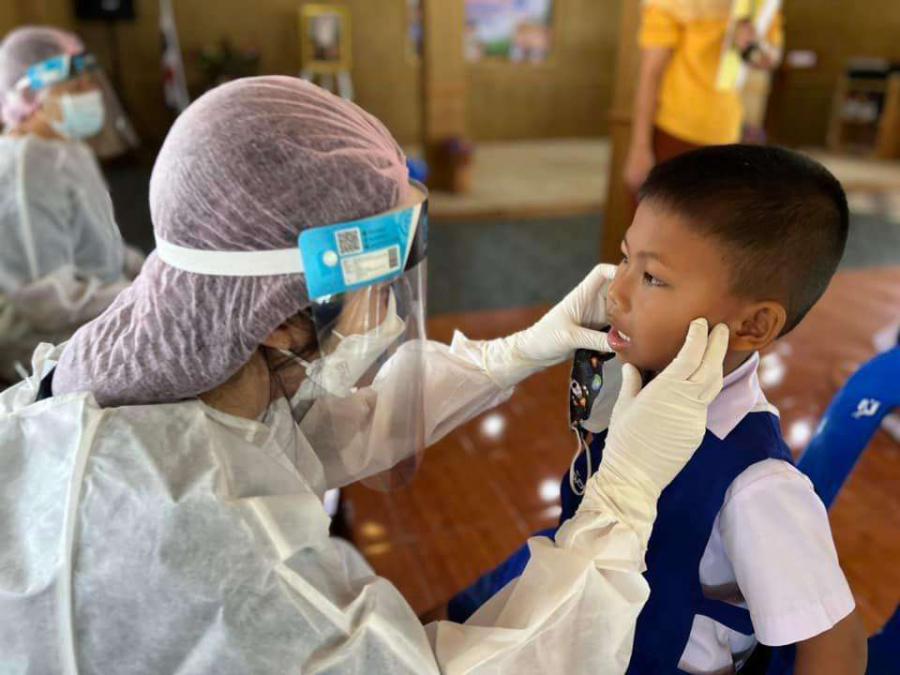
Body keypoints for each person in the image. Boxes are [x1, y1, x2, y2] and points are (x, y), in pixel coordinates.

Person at [0, 75, 730, 674]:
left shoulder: (153, 374)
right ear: (278, 314)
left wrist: (511, 353)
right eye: (378, 283)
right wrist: (621, 504)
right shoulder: (229, 557)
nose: (387, 308)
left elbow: (311, 433)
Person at [448, 145, 868, 673]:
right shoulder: (633, 376)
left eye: (652, 278)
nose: (615, 293)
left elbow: (837, 646)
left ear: (753, 325)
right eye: (625, 258)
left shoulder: (757, 486)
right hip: (579, 607)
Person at [0, 26, 142, 384]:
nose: (90, 94)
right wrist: (138, 296)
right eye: (74, 88)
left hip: (98, 310)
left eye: (89, 83)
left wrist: (150, 272)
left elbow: (102, 243)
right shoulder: (24, 166)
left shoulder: (66, 148)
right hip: (46, 347)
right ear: (29, 95)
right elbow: (46, 301)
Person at [624, 0, 784, 196]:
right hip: (673, 131)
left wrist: (754, 47)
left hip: (726, 134)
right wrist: (639, 147)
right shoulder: (672, 4)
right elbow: (650, 74)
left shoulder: (757, 3)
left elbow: (772, 55)